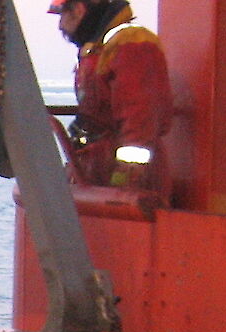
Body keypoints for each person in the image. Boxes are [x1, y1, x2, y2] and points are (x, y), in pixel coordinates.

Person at [48, 0, 171, 190]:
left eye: (62, 15)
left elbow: (140, 118)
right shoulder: (97, 50)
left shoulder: (131, 43)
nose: (60, 26)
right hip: (97, 171)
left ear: (79, 9)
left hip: (127, 182)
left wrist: (126, 179)